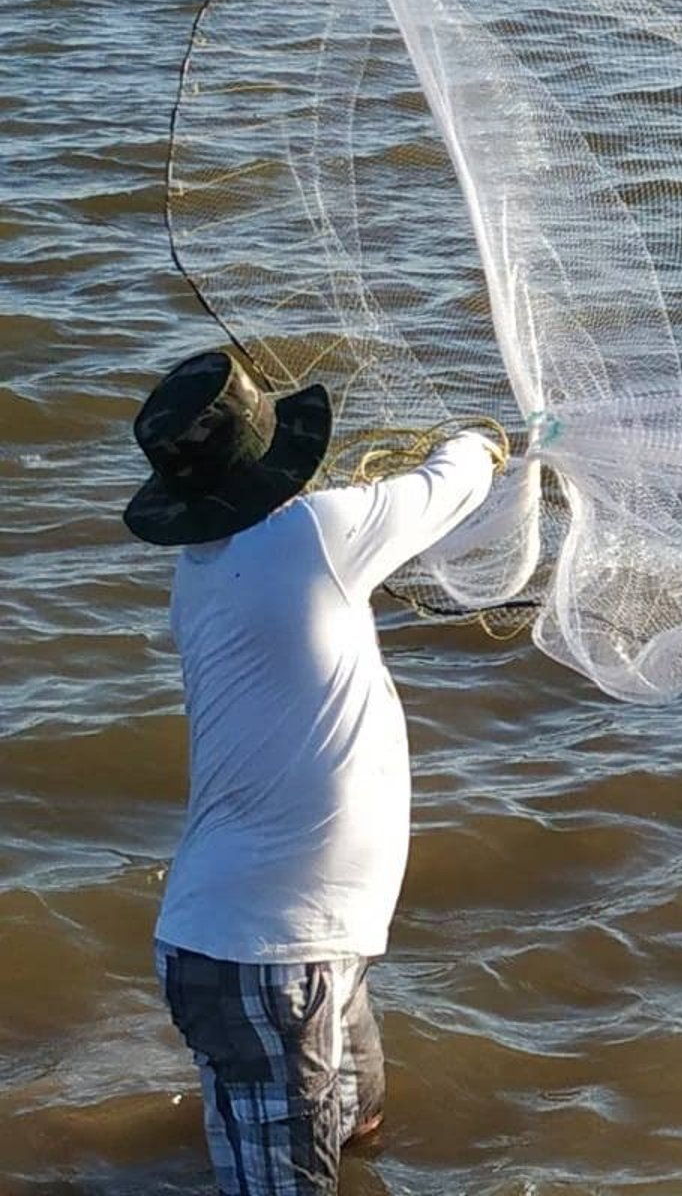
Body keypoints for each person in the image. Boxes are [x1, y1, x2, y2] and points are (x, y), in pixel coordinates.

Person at [124, 349, 502, 1195]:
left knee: (359, 1124)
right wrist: (483, 441)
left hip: (303, 943)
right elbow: (451, 485)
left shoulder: (200, 572)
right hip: (265, 959)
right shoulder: (314, 534)